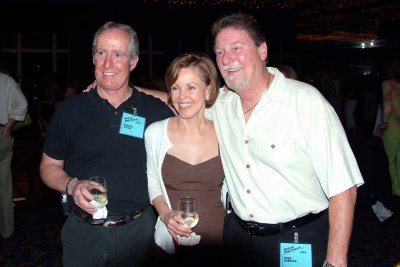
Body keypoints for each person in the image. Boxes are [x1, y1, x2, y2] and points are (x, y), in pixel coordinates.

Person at [206, 12, 364, 267]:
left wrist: (335, 262)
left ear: (262, 50)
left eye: (236, 48)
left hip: (297, 240)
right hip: (238, 239)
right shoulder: (221, 105)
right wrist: (125, 92)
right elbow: (180, 103)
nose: (227, 59)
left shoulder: (305, 102)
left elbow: (344, 188)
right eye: (220, 52)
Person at [39, 21, 174, 266]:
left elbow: (188, 103)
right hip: (83, 233)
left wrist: (138, 89)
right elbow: (48, 166)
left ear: (133, 62)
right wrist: (72, 185)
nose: (108, 64)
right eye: (101, 53)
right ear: (93, 59)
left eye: (118, 54)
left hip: (138, 233)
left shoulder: (153, 110)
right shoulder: (70, 111)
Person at [144, 53, 225, 265]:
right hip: (171, 244)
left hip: (220, 243)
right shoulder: (155, 133)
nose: (182, 96)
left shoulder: (226, 134)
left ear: (208, 91)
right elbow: (153, 183)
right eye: (175, 87)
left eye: (191, 87)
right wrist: (166, 214)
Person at [0, 67, 28, 239]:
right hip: (1, 133)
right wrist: (9, 124)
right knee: (3, 183)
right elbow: (23, 104)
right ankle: (6, 231)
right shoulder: (6, 81)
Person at [380, 59, 400, 197]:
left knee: (389, 159)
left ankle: (394, 188)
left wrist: (384, 123)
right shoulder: (399, 84)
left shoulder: (387, 84)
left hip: (393, 125)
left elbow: (388, 105)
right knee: (399, 158)